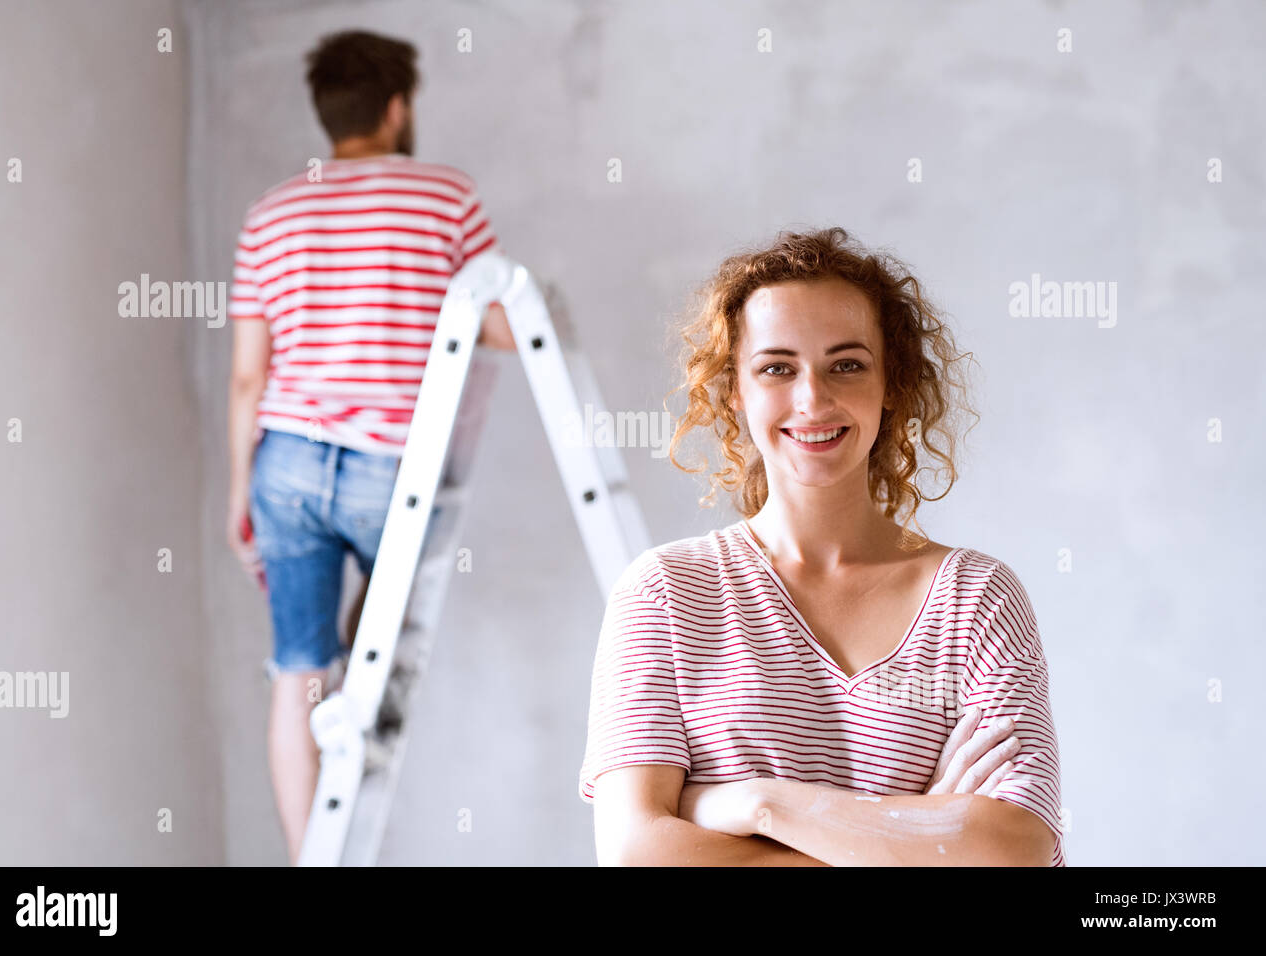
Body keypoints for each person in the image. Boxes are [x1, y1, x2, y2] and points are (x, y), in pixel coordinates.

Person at [578, 226, 1065, 866]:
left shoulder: (976, 598)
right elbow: (637, 854)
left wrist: (762, 806)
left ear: (891, 386)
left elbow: (1016, 849)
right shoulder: (664, 594)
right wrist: (919, 845)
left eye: (847, 365)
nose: (813, 398)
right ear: (734, 391)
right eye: (777, 368)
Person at [225, 30, 516, 864]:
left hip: (283, 463)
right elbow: (497, 325)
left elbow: (250, 377)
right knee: (369, 654)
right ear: (397, 108)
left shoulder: (270, 213)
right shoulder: (442, 196)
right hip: (395, 467)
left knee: (296, 670)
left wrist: (236, 493)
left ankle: (305, 856)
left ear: (329, 114)